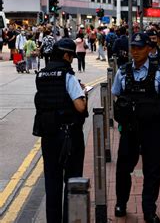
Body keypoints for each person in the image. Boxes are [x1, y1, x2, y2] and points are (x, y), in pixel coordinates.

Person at [112, 32, 160, 222]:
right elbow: (116, 94)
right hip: (129, 130)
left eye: (139, 48)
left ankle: (149, 209)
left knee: (152, 170)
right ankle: (121, 202)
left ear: (149, 49)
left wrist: (154, 113)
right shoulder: (122, 71)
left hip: (152, 129)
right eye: (133, 48)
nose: (135, 52)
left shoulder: (159, 72)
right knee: (123, 168)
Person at [33, 38, 89, 222]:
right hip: (68, 135)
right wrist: (84, 94)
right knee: (72, 181)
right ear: (66, 55)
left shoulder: (41, 75)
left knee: (52, 181)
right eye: (71, 55)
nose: (72, 59)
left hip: (48, 135)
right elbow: (80, 107)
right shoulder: (68, 76)